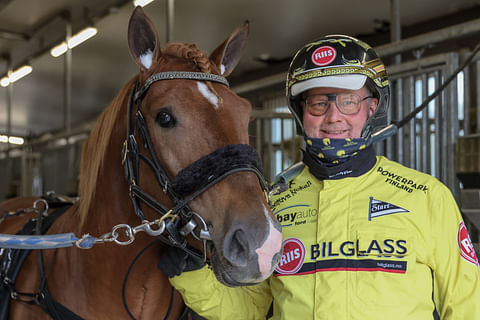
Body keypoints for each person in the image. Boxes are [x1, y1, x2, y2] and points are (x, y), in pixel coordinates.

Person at [158, 35, 480, 319]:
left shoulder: (425, 196)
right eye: (318, 103)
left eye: (349, 101)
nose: (333, 116)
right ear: (301, 113)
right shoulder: (274, 204)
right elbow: (250, 310)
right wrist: (193, 274)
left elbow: (468, 306)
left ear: (372, 107)